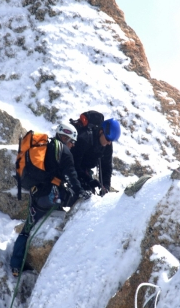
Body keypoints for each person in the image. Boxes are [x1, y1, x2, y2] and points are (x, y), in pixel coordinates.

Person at [10, 123, 92, 276]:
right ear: (65, 137)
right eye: (71, 141)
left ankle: (16, 265)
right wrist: (80, 191)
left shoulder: (46, 146)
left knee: (27, 229)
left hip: (36, 194)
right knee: (67, 215)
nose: (72, 145)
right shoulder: (64, 151)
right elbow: (71, 175)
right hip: (50, 197)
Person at [72, 118, 121, 194]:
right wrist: (88, 180)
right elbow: (74, 163)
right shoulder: (84, 139)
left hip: (85, 170)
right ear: (101, 132)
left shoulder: (107, 143)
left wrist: (106, 186)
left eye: (111, 141)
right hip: (71, 167)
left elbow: (106, 166)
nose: (109, 143)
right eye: (108, 139)